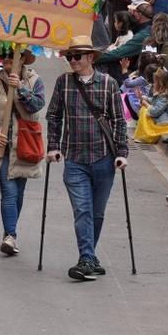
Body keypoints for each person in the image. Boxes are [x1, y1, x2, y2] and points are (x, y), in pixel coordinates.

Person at [46, 36, 128, 280]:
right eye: (69, 56)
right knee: (82, 210)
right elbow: (53, 116)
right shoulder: (63, 83)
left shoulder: (108, 84)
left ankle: (90, 256)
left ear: (90, 57)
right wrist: (53, 146)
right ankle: (86, 258)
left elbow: (118, 120)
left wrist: (122, 153)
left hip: (104, 157)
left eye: (77, 56)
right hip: (74, 157)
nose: (72, 60)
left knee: (97, 212)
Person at [0, 49, 45, 256]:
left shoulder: (35, 80)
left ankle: (9, 233)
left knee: (19, 193)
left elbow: (37, 106)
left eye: (12, 55)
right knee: (9, 191)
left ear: (22, 59)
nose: (7, 59)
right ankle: (11, 235)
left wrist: (21, 89)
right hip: (2, 147)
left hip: (24, 144)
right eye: (4, 55)